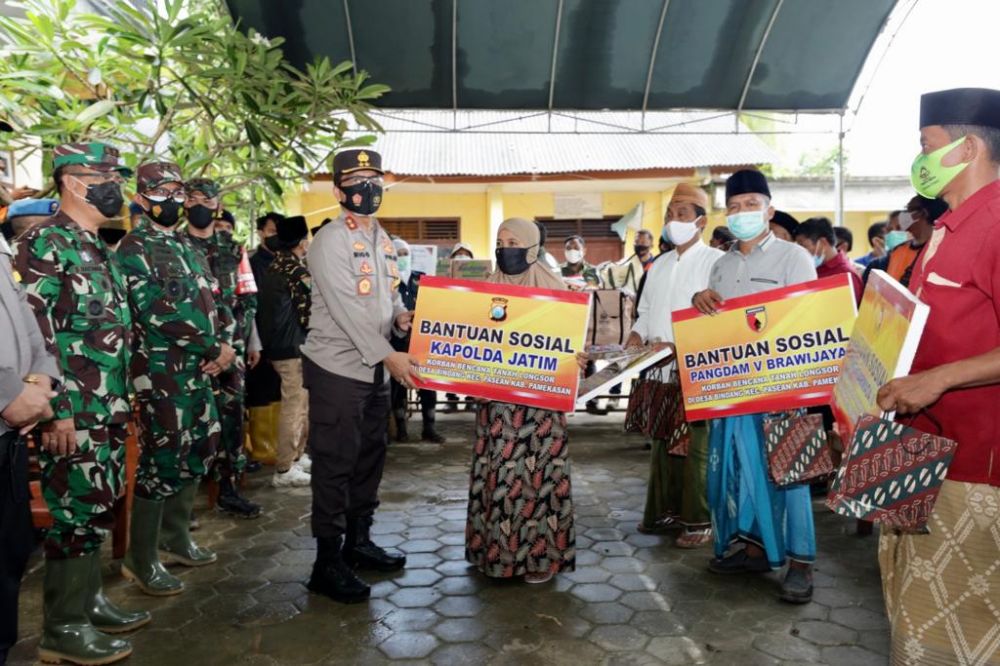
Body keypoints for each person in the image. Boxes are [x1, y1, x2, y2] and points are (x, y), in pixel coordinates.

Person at [875, 87, 1000, 665]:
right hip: (918, 446)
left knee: (962, 626)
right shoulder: (946, 229)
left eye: (927, 145)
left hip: (975, 465)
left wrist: (941, 379)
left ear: (968, 147)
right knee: (910, 609)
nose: (918, 157)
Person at [14, 142, 145, 665]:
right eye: (106, 174)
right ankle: (62, 628)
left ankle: (88, 601)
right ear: (72, 181)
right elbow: (36, 337)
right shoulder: (45, 244)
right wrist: (58, 410)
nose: (117, 184)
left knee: (96, 505)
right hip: (73, 410)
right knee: (73, 511)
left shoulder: (96, 246)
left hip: (107, 407)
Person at [692, 169, 818, 604]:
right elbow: (715, 323)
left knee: (789, 472)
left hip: (782, 387)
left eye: (751, 204)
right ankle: (753, 549)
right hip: (733, 390)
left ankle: (801, 563)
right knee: (740, 469)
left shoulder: (792, 258)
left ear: (769, 208)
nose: (743, 213)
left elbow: (810, 320)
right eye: (734, 206)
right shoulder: (721, 265)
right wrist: (699, 302)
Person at [301, 149, 412, 604]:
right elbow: (347, 310)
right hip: (338, 369)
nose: (369, 187)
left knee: (370, 456)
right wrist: (390, 356)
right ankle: (326, 563)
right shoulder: (330, 240)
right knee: (335, 462)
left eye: (374, 178)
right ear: (338, 191)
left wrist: (402, 316)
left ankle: (358, 542)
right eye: (358, 179)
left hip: (373, 371)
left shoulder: (379, 236)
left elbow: (386, 294)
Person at [117, 162, 232, 596]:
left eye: (178, 191)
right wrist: (211, 347)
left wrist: (223, 347)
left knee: (199, 448)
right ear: (143, 199)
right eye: (162, 192)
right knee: (161, 460)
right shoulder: (133, 248)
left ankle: (176, 537)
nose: (174, 200)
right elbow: (155, 310)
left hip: (200, 371)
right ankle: (140, 560)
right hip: (161, 374)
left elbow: (211, 301)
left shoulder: (187, 246)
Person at [466, 217, 576, 583]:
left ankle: (539, 559)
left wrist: (576, 358)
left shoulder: (555, 288)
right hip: (497, 404)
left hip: (539, 408)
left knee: (537, 478)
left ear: (531, 247)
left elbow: (568, 345)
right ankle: (494, 553)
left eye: (513, 240)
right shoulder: (484, 290)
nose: (505, 247)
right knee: (498, 474)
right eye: (499, 240)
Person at [626, 182, 722, 548]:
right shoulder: (659, 264)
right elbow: (646, 310)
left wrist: (679, 345)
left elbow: (719, 316)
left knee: (695, 448)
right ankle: (662, 513)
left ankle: (698, 521)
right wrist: (636, 335)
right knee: (663, 442)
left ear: (701, 221)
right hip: (658, 368)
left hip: (695, 369)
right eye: (669, 214)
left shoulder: (715, 262)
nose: (673, 221)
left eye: (682, 214)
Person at [0, 115, 62, 666]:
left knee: (12, 552)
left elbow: (31, 326)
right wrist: (6, 393)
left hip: (11, 433)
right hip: (7, 413)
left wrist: (41, 377)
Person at [183, 179, 261, 519]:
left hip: (231, 356)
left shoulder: (234, 248)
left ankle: (228, 489)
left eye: (207, 197)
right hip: (187, 356)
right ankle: (184, 504)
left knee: (230, 420)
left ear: (218, 204)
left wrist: (231, 347)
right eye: (192, 197)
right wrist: (206, 349)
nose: (199, 203)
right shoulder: (172, 247)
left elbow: (248, 301)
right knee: (188, 426)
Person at [258, 215, 312, 489]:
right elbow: (308, 313)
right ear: (302, 243)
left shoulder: (276, 265)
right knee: (294, 406)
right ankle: (284, 467)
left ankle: (296, 456)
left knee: (299, 404)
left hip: (278, 345)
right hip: (292, 346)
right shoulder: (296, 271)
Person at [389, 238, 444, 444]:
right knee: (400, 384)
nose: (402, 258)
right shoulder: (389, 281)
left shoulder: (421, 279)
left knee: (427, 384)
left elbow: (436, 303)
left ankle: (429, 428)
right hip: (397, 341)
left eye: (405, 253)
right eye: (398, 254)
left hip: (421, 342)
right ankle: (401, 429)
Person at [793, 217, 862, 302]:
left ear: (822, 242)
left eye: (804, 246)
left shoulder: (846, 275)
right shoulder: (812, 267)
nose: (801, 252)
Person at [444, 243, 476, 411]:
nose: (462, 257)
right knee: (451, 363)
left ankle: (471, 398)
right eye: (458, 254)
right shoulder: (444, 276)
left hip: (472, 325)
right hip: (451, 325)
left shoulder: (480, 277)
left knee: (471, 362)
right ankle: (451, 398)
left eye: (465, 254)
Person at [601, 229, 656, 295]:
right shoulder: (626, 263)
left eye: (643, 242)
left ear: (651, 246)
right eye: (637, 242)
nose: (639, 245)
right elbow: (609, 274)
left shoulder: (657, 264)